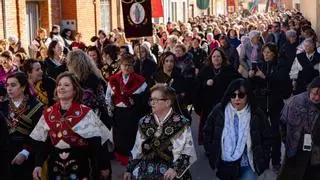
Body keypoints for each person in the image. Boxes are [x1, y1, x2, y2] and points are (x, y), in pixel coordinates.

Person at [30, 72, 113, 180]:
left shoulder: (86, 113)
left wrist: (104, 166)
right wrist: (38, 164)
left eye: (66, 85)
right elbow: (41, 143)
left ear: (75, 90)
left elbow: (100, 142)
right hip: (55, 167)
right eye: (59, 85)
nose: (61, 88)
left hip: (81, 166)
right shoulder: (48, 113)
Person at [123, 84, 197, 180]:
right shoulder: (144, 121)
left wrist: (175, 169)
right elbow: (137, 148)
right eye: (151, 100)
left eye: (156, 100)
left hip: (171, 174)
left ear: (168, 102)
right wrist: (129, 169)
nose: (152, 103)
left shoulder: (181, 123)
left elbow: (188, 150)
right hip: (146, 173)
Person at [203, 78, 272, 180]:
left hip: (247, 164)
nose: (236, 99)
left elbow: (268, 137)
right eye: (233, 95)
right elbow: (207, 132)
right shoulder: (219, 110)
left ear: (247, 96)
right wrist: (212, 152)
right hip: (225, 164)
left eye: (241, 95)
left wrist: (263, 157)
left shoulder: (256, 113)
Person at [249, 43, 292, 171]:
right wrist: (251, 77)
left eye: (268, 52)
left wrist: (266, 77)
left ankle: (275, 160)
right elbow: (253, 86)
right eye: (264, 52)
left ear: (274, 53)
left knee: (275, 134)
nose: (266, 54)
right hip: (261, 104)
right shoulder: (260, 66)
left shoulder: (280, 65)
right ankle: (264, 159)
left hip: (275, 104)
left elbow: (281, 80)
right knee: (262, 134)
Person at [106, 54, 149, 166]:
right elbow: (108, 98)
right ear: (120, 66)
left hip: (133, 114)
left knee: (132, 137)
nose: (126, 68)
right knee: (120, 138)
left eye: (129, 65)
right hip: (118, 113)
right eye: (124, 65)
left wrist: (136, 100)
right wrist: (110, 113)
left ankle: (134, 159)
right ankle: (123, 159)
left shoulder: (140, 81)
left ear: (133, 66)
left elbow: (146, 99)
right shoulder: (113, 80)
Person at [0, 72, 44, 180]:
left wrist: (25, 152)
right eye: (7, 85)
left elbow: (39, 135)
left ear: (23, 87)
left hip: (28, 154)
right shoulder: (2, 106)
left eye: (13, 85)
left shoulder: (36, 106)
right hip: (4, 155)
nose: (9, 88)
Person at [195, 48, 240, 145]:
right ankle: (209, 145)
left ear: (222, 58)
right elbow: (197, 84)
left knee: (224, 127)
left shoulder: (229, 69)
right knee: (209, 126)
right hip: (209, 105)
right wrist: (205, 83)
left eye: (218, 56)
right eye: (214, 56)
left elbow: (239, 81)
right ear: (211, 58)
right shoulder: (206, 70)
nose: (216, 58)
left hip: (224, 103)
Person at [278, 77, 320, 180]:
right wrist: (286, 140)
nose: (317, 98)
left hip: (315, 154)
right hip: (295, 151)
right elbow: (282, 123)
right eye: (315, 93)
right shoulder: (296, 101)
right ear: (310, 89)